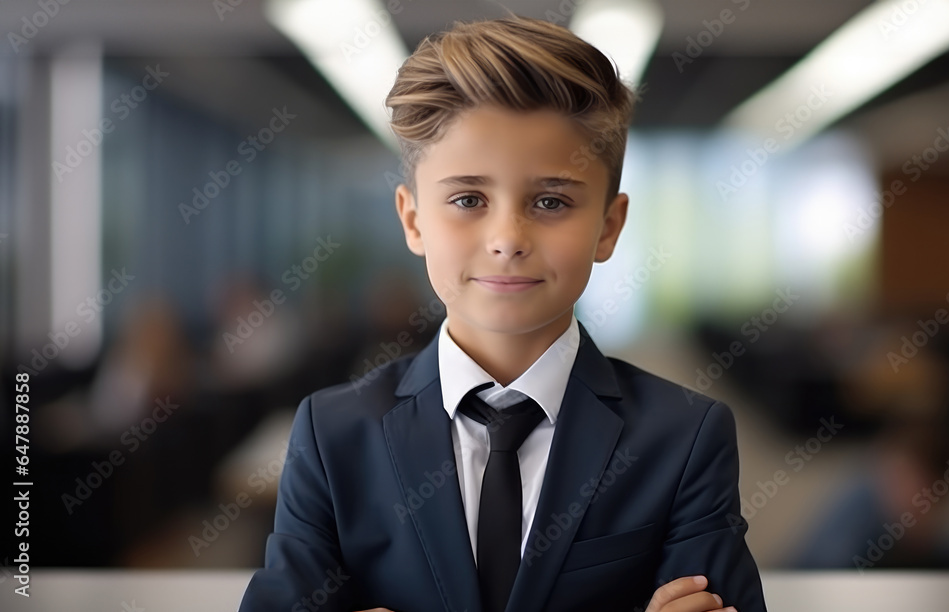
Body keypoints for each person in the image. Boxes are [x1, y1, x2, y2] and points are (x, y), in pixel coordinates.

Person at [239, 14, 766, 612]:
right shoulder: (332, 434)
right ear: (414, 220)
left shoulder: (684, 436)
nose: (507, 238)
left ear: (608, 227)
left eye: (551, 200)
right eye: (468, 199)